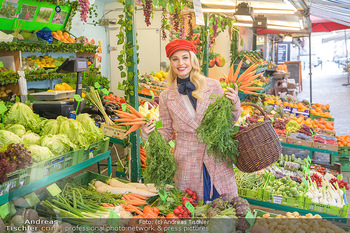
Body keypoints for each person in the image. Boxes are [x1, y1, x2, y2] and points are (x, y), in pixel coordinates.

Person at [142, 39, 241, 202]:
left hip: (215, 154)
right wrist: (147, 134)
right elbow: (165, 131)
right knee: (192, 209)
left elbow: (228, 121)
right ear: (171, 63)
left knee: (224, 207)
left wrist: (235, 102)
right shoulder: (166, 96)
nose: (181, 63)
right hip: (187, 159)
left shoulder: (213, 86)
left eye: (185, 57)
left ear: (192, 60)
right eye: (175, 59)